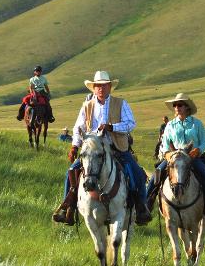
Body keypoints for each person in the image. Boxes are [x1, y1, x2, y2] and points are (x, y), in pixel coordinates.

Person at [51, 70, 152, 225]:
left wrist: (112, 127)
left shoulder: (121, 103)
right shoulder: (87, 106)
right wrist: (74, 146)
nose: (101, 88)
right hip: (93, 148)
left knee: (137, 173)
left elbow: (131, 123)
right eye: (98, 85)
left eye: (104, 85)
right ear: (94, 88)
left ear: (109, 86)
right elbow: (79, 127)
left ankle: (141, 208)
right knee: (71, 171)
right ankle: (67, 208)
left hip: (116, 147)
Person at [146, 94, 205, 224]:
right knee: (154, 178)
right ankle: (145, 208)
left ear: (187, 107)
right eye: (175, 105)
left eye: (180, 105)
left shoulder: (197, 124)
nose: (176, 107)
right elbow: (165, 144)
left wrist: (198, 150)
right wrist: (168, 155)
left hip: (192, 158)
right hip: (173, 158)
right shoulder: (170, 125)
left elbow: (204, 141)